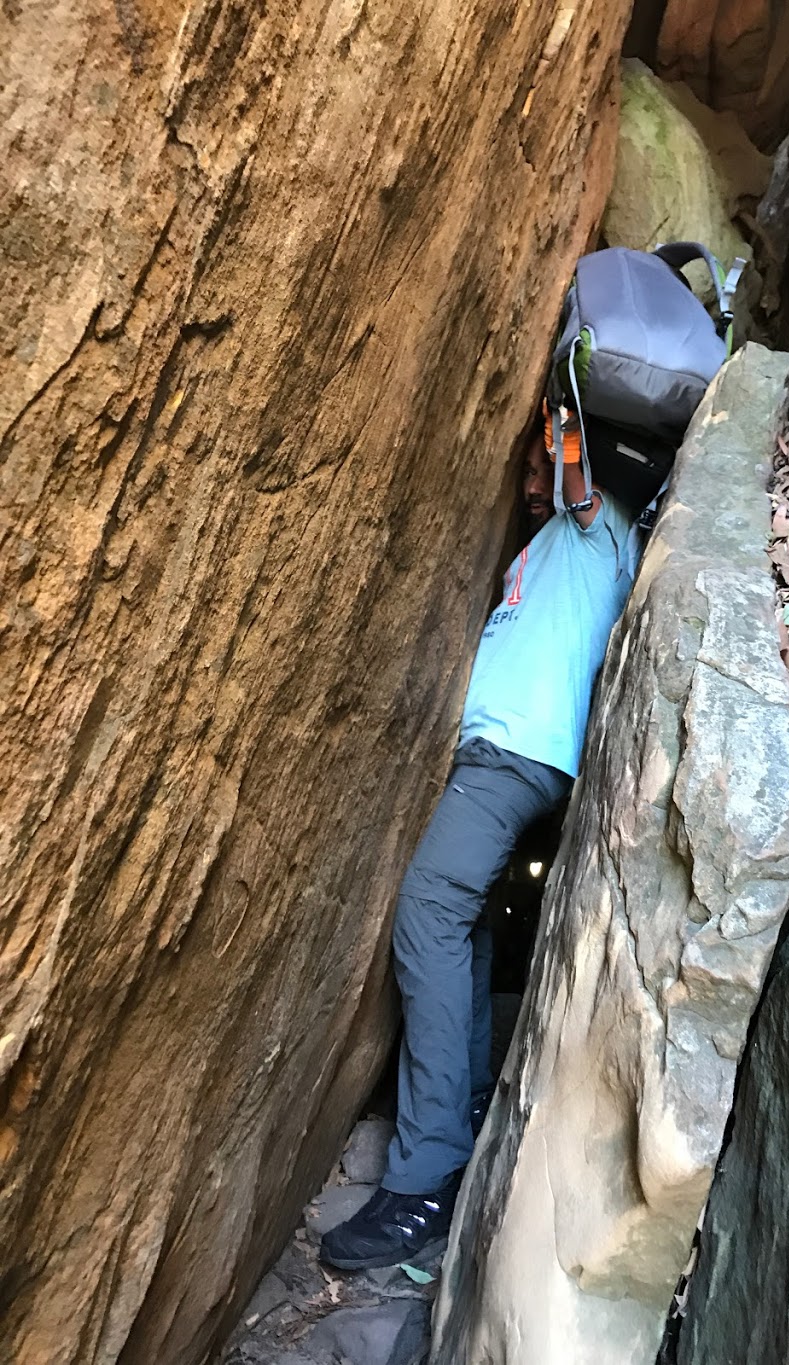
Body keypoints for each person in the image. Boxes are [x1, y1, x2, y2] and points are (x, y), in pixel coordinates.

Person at [320, 410, 634, 1271]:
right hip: (509, 754)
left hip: (515, 756)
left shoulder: (594, 523)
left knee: (426, 908)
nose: (530, 486)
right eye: (528, 472)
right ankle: (452, 1126)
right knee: (465, 926)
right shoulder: (557, 547)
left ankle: (421, 1178)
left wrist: (563, 411)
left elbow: (572, 469)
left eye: (539, 469)